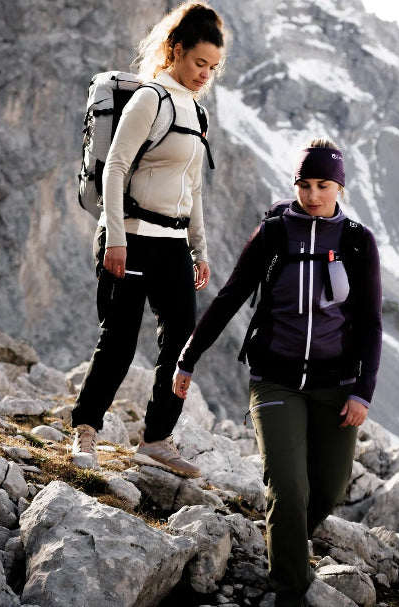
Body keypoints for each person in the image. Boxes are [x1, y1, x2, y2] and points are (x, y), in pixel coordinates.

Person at [172, 139, 382, 605]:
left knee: (326, 491)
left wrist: (363, 391)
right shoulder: (274, 233)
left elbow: (370, 323)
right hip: (275, 379)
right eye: (304, 185)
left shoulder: (356, 241)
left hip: (336, 386)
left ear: (340, 187)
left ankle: (281, 537)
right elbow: (229, 296)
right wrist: (189, 355)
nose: (312, 195)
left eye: (322, 186)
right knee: (288, 489)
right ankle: (289, 589)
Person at [70, 1, 227, 477]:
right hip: (132, 237)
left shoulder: (197, 114)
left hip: (174, 244)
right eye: (199, 62)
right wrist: (114, 237)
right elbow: (115, 167)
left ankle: (156, 439)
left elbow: (194, 188)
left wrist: (199, 248)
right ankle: (84, 432)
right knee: (118, 341)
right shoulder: (150, 99)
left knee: (181, 343)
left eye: (213, 67)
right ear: (176, 51)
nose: (205, 74)